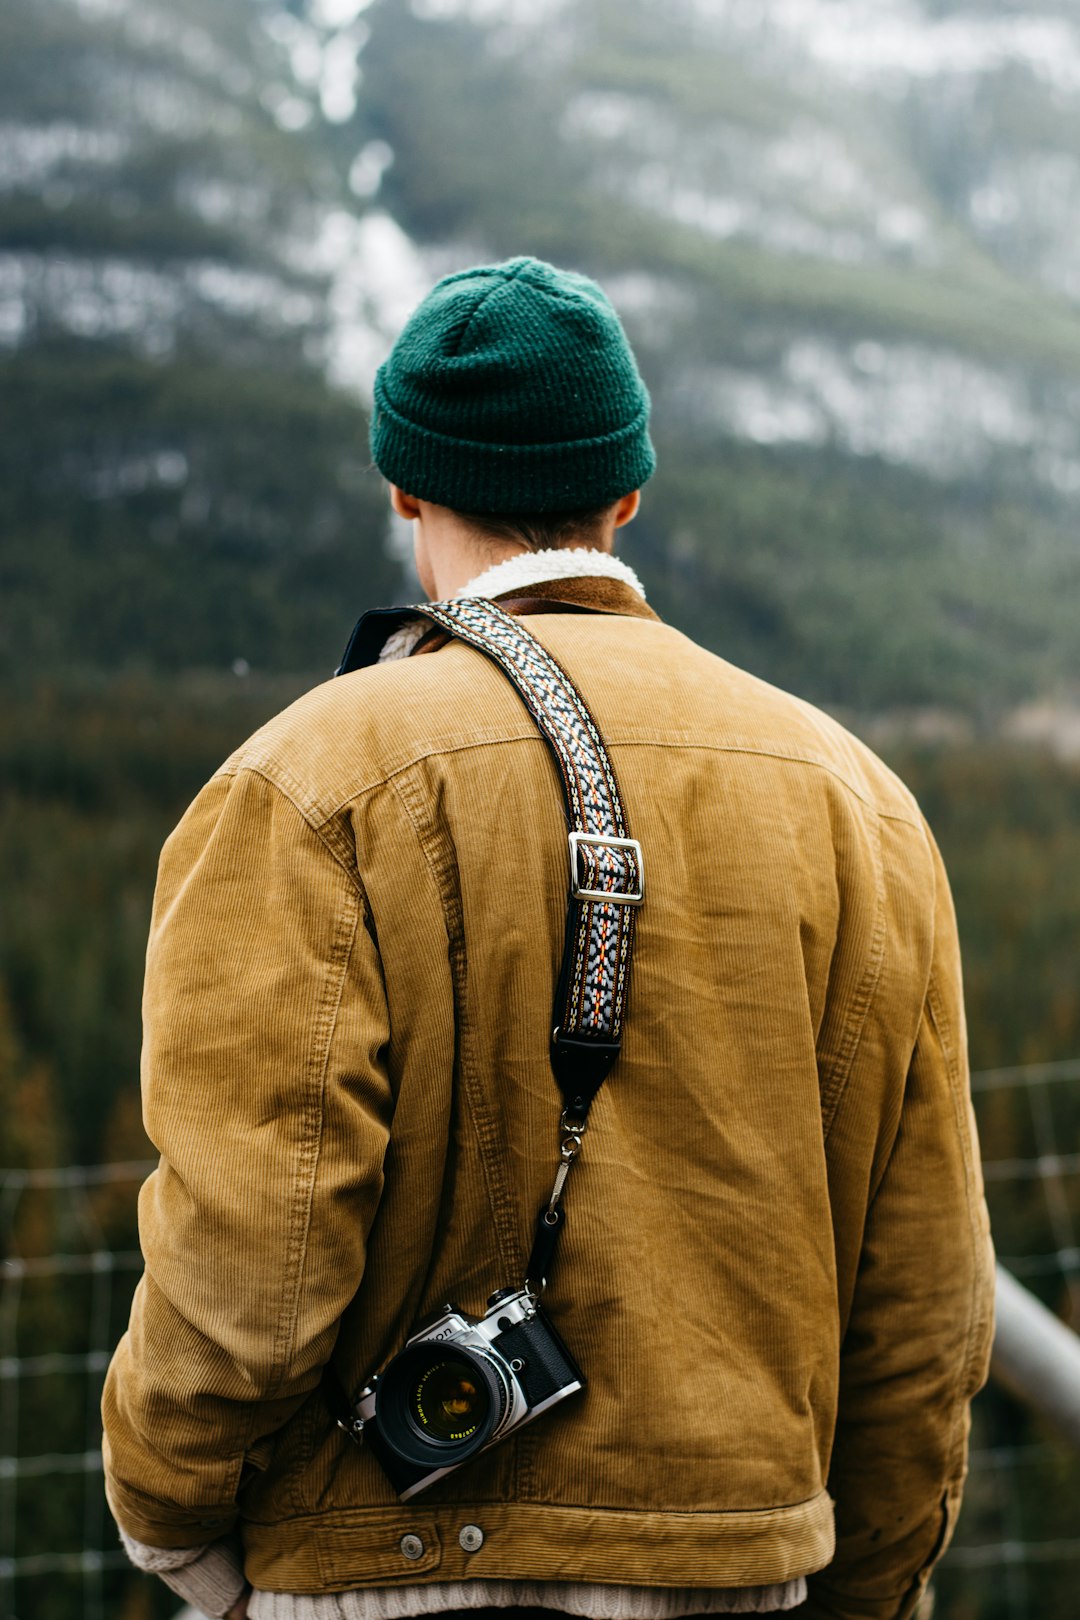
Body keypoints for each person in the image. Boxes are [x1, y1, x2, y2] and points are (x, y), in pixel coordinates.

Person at [102, 256, 995, 1620]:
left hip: (374, 1570)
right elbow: (923, 1300)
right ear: (626, 494)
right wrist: (865, 1583)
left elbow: (252, 1257)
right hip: (743, 1575)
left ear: (404, 484)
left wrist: (176, 1522)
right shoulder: (857, 799)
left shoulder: (307, 781)